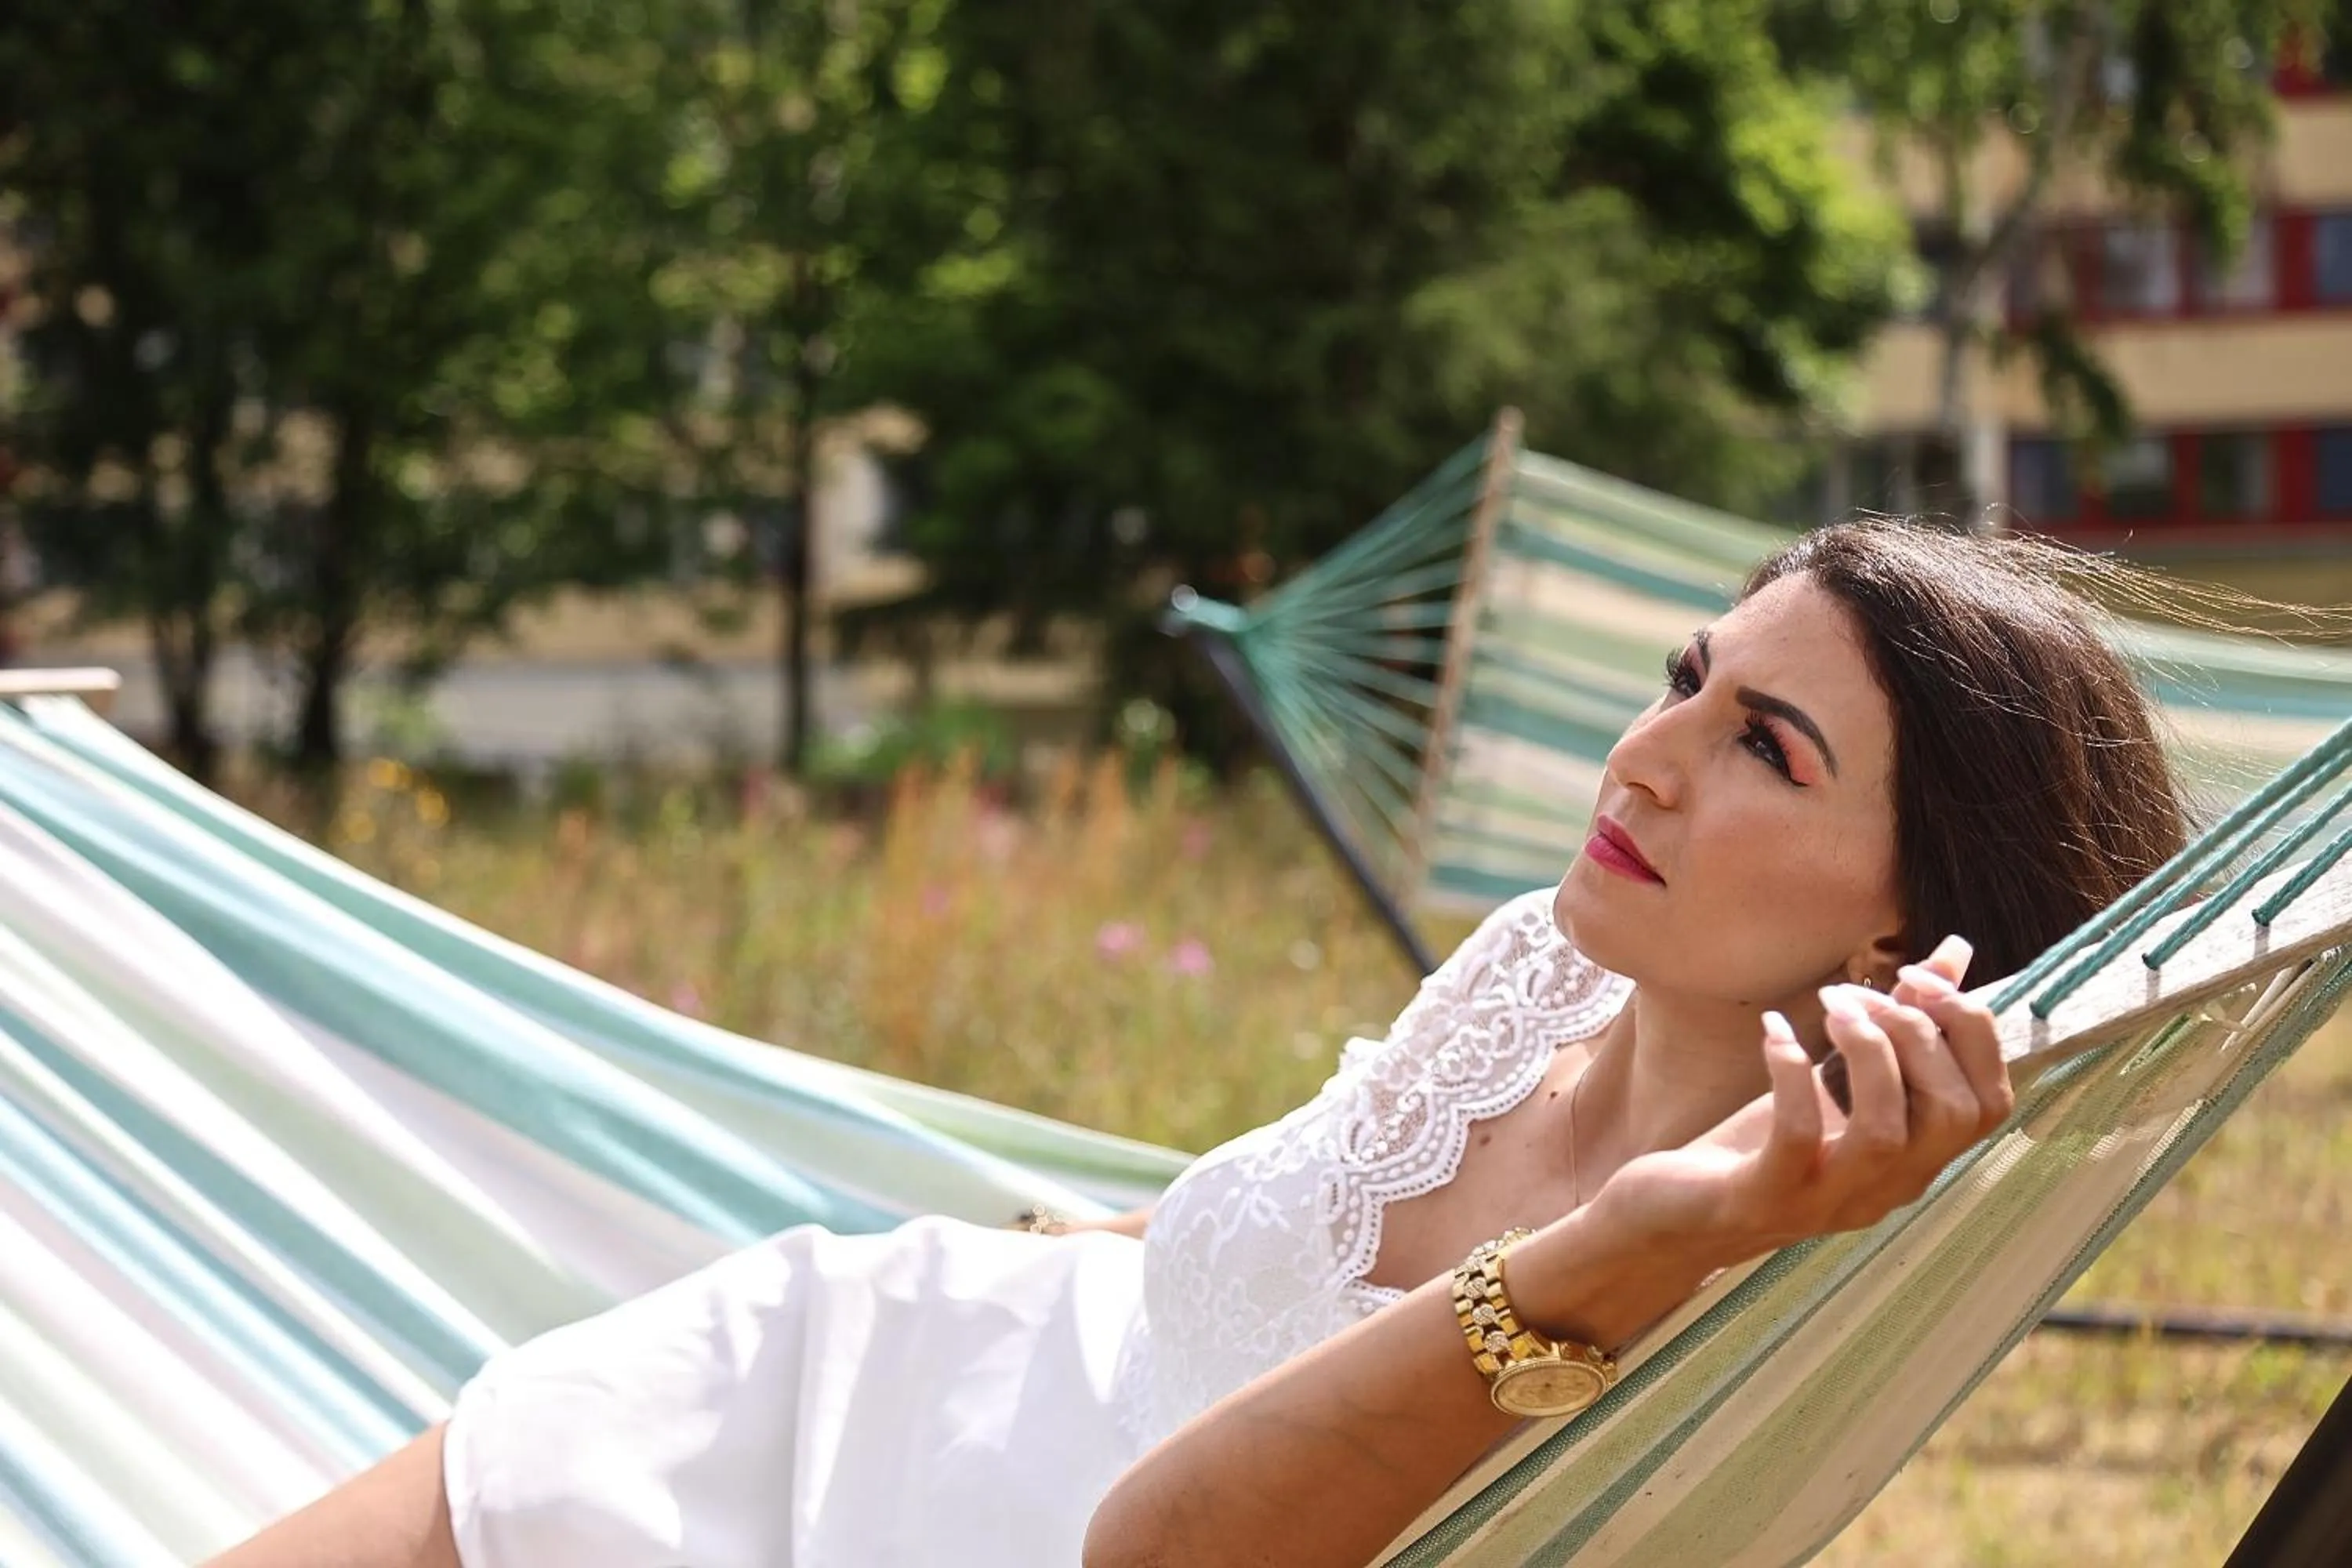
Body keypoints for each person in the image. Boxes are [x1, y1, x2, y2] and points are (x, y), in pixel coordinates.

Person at [205, 521, 2187, 1568]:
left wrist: (1645, 1229)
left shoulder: (1754, 1271)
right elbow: (1276, 1226)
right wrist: (1052, 1244)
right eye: (1686, 678)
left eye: (1765, 746)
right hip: (864, 1359)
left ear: (1903, 926)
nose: (1646, 758)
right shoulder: (1540, 968)